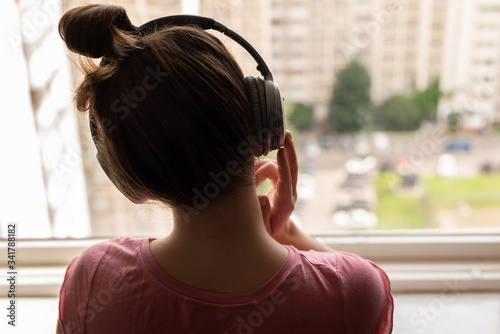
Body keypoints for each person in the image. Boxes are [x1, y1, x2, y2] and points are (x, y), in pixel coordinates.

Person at [56, 4, 393, 334]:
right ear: (264, 121)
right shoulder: (355, 293)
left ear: (128, 176)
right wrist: (290, 236)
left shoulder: (93, 280)